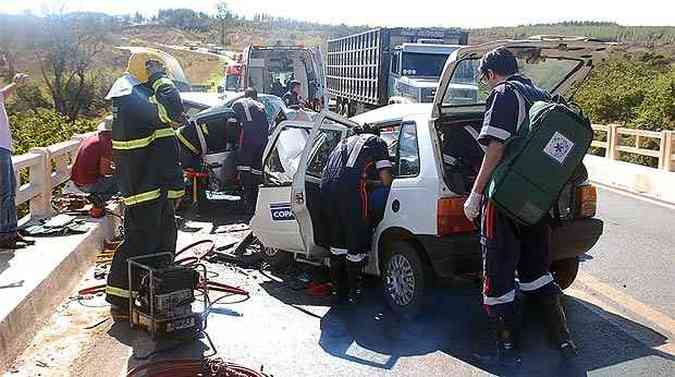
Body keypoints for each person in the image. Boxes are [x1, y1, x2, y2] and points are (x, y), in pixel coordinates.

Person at [463, 47, 577, 365]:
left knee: (498, 277)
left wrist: (475, 193)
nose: (487, 84)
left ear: (490, 73)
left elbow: (496, 147)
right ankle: (563, 340)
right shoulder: (542, 95)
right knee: (536, 271)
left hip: (504, 200)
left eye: (485, 79)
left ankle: (508, 348)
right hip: (537, 202)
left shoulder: (503, 93)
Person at [104, 49, 186, 316]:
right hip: (145, 186)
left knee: (163, 239)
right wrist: (160, 78)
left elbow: (163, 140)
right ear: (147, 71)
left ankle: (155, 290)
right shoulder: (134, 100)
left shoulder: (136, 99)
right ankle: (120, 299)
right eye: (154, 70)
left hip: (153, 184)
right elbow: (174, 111)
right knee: (141, 242)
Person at [320, 129, 393, 304]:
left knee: (337, 244)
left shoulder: (343, 142)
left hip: (326, 190)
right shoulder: (377, 141)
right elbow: (386, 180)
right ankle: (355, 292)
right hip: (350, 193)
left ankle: (339, 291)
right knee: (356, 243)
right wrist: (379, 183)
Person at [0, 73, 32, 249]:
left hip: (4, 149)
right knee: (4, 193)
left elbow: (3, 95)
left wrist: (15, 84)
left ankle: (11, 231)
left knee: (9, 191)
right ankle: (5, 234)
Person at [232, 87, 268, 211]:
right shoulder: (261, 106)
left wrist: (232, 142)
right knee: (256, 172)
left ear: (245, 95)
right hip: (262, 142)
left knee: (244, 170)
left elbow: (232, 124)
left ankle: (247, 204)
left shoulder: (238, 103)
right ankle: (257, 202)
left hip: (248, 141)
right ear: (256, 97)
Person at [70, 116, 118, 205]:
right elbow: (105, 171)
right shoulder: (106, 142)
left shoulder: (95, 137)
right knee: (123, 180)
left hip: (77, 183)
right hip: (88, 185)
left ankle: (99, 196)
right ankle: (100, 198)